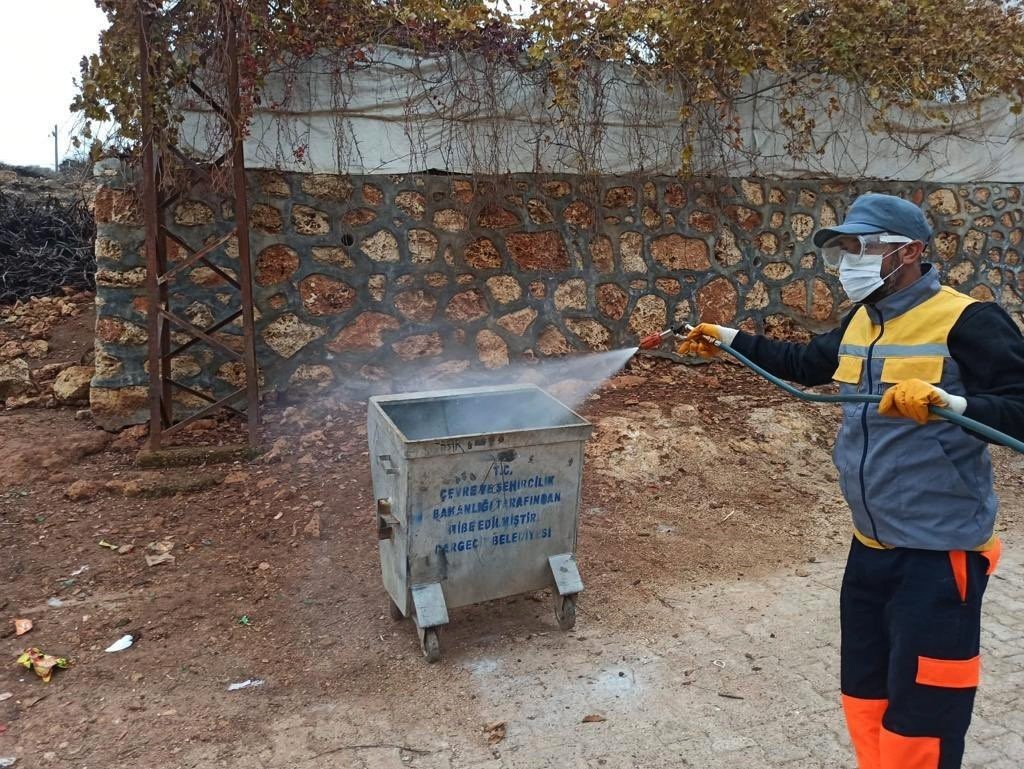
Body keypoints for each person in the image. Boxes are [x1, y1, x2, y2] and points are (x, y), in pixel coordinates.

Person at [680, 192, 1024, 769]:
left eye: (862, 247)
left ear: (910, 251)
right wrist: (728, 336)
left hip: (939, 557)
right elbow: (804, 365)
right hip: (869, 550)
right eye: (843, 250)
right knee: (866, 693)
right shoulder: (864, 320)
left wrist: (952, 401)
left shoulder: (968, 320)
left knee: (926, 710)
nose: (848, 263)